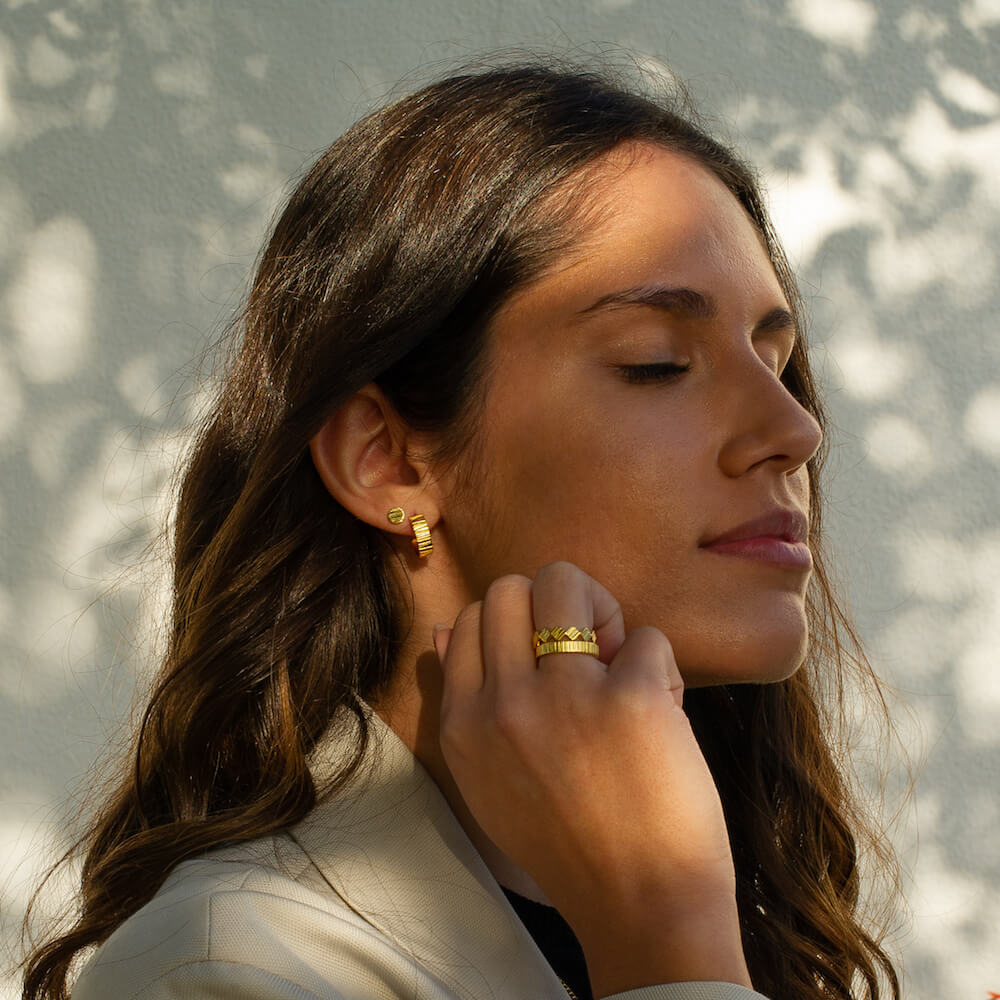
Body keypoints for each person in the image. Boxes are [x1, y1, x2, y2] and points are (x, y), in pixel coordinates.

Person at [21, 62, 902, 1000]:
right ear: (390, 461)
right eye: (657, 363)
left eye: (776, 360)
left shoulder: (752, 926)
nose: (794, 430)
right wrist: (671, 948)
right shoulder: (229, 968)